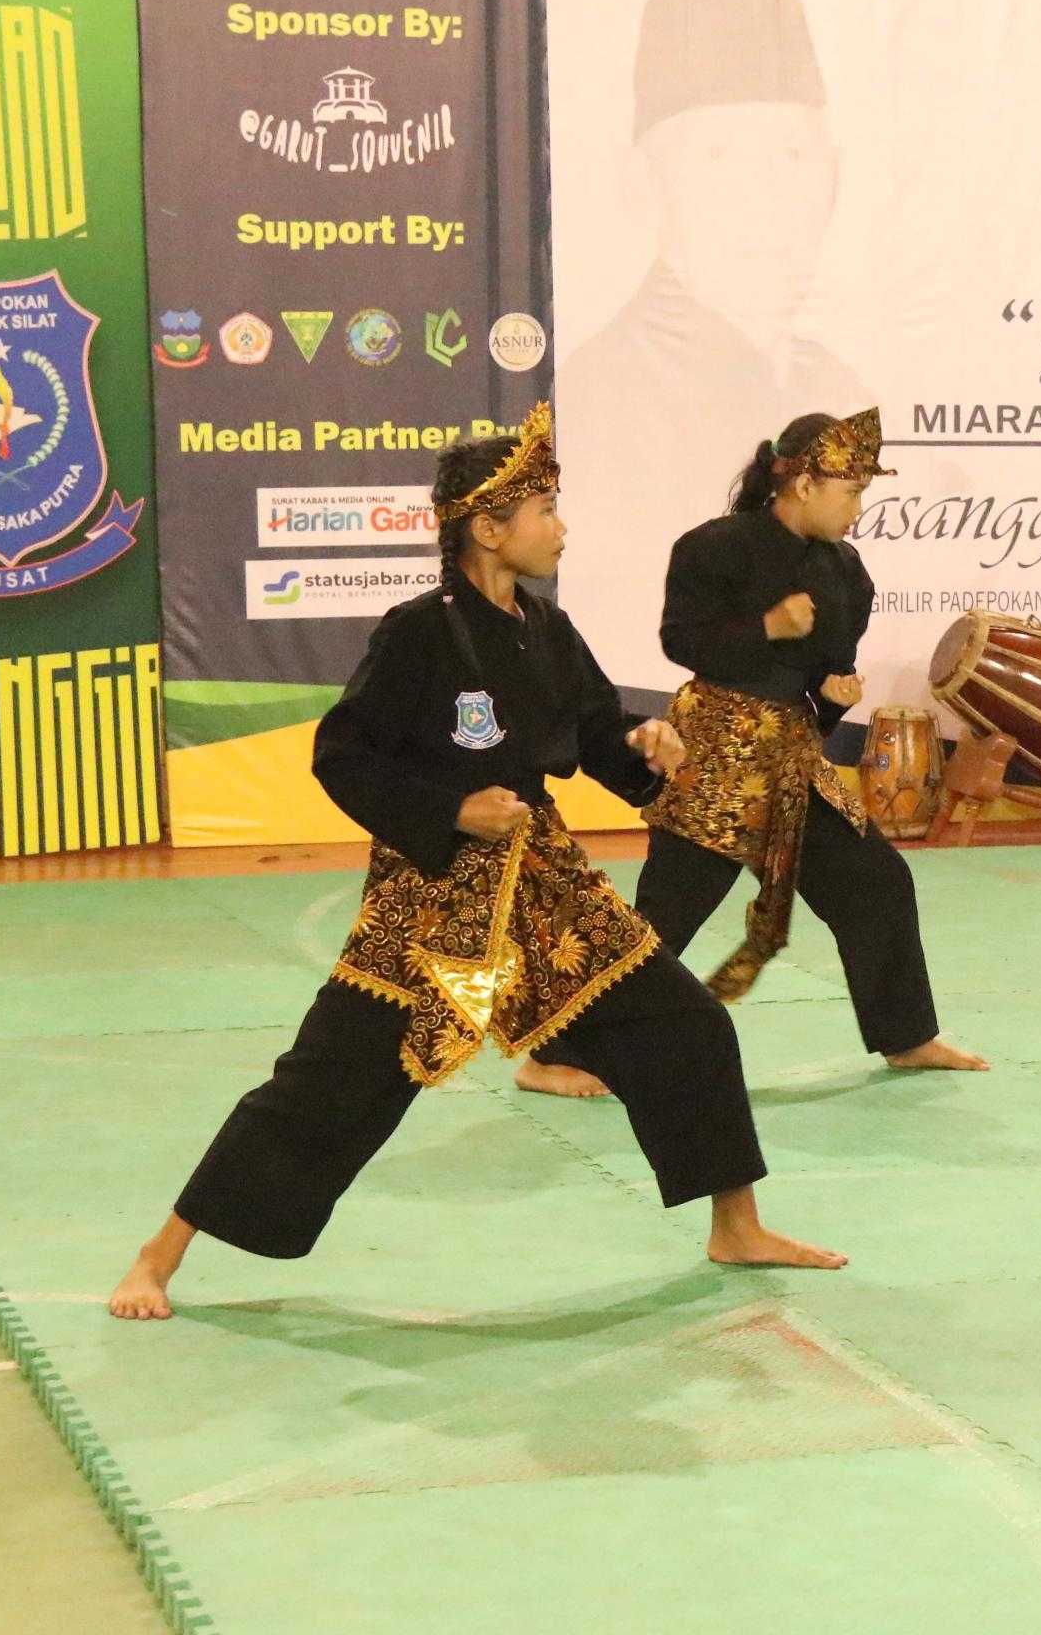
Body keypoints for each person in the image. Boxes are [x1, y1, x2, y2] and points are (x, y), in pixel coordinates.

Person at [108, 407, 844, 1319]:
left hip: (548, 887)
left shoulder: (545, 627)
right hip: (435, 900)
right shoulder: (419, 634)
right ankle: (161, 1253)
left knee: (687, 1026)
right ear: (488, 530)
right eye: (544, 509)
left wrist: (647, 744)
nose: (561, 527)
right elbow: (343, 755)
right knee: (332, 1081)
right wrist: (450, 807)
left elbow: (594, 735)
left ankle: (734, 1224)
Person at [520, 408, 981, 1097]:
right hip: (714, 756)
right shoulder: (713, 548)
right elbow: (683, 642)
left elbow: (814, 684)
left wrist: (832, 696)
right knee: (665, 919)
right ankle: (552, 1053)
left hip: (792, 760)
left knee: (874, 881)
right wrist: (768, 624)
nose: (858, 508)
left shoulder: (846, 573)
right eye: (850, 491)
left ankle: (906, 1034)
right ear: (800, 483)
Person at [557, 0, 866, 691]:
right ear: (644, 183)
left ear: (832, 177)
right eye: (720, 155)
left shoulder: (838, 382)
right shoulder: (601, 395)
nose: (764, 195)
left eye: (791, 154)